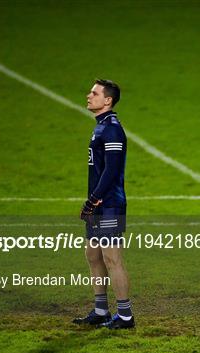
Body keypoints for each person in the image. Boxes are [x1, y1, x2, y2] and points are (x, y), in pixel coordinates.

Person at [72, 79, 134, 329]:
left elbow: (112, 170)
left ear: (107, 100)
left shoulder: (112, 130)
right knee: (93, 254)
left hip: (109, 204)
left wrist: (93, 199)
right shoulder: (100, 127)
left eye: (94, 93)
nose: (89, 96)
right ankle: (100, 310)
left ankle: (125, 316)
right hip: (98, 203)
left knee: (112, 258)